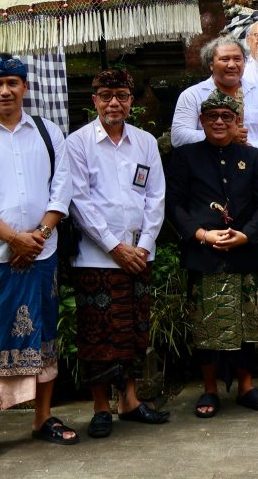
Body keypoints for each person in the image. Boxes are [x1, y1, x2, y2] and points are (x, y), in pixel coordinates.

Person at [0, 54, 76, 462]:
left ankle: (43, 417)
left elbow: (62, 185)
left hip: (41, 251)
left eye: (12, 83)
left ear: (25, 87)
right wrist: (13, 240)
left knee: (41, 333)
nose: (5, 91)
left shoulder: (47, 131)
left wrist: (37, 235)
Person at [66, 69, 169, 438]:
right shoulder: (77, 143)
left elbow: (155, 197)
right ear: (94, 100)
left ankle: (129, 400)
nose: (114, 103)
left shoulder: (145, 142)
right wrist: (114, 246)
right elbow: (79, 202)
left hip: (140, 254)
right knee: (98, 334)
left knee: (134, 329)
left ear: (131, 100)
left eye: (122, 95)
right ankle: (100, 407)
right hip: (97, 258)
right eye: (107, 95)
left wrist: (142, 246)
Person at [167, 91, 258, 417]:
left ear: (236, 122)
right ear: (201, 121)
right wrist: (201, 234)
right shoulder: (186, 157)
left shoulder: (252, 157)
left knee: (247, 324)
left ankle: (246, 385)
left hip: (242, 254)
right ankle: (209, 389)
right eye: (212, 116)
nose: (218, 122)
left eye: (226, 117)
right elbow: (174, 204)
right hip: (204, 255)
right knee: (205, 325)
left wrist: (247, 234)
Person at [171, 36, 258, 153]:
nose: (232, 65)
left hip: (254, 163)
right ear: (211, 65)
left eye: (237, 59)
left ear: (244, 63)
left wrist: (253, 148)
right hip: (209, 164)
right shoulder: (192, 95)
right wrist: (223, 136)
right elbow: (178, 136)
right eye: (225, 59)